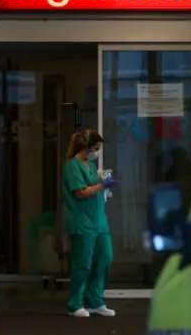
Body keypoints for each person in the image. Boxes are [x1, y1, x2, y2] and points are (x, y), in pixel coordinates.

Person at [62, 129, 118, 317]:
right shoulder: (72, 167)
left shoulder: (90, 166)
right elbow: (81, 192)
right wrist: (103, 185)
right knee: (83, 263)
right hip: (82, 221)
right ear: (85, 147)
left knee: (104, 258)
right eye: (95, 148)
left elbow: (93, 187)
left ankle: (95, 301)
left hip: (98, 221)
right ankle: (75, 303)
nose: (97, 152)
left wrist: (102, 183)